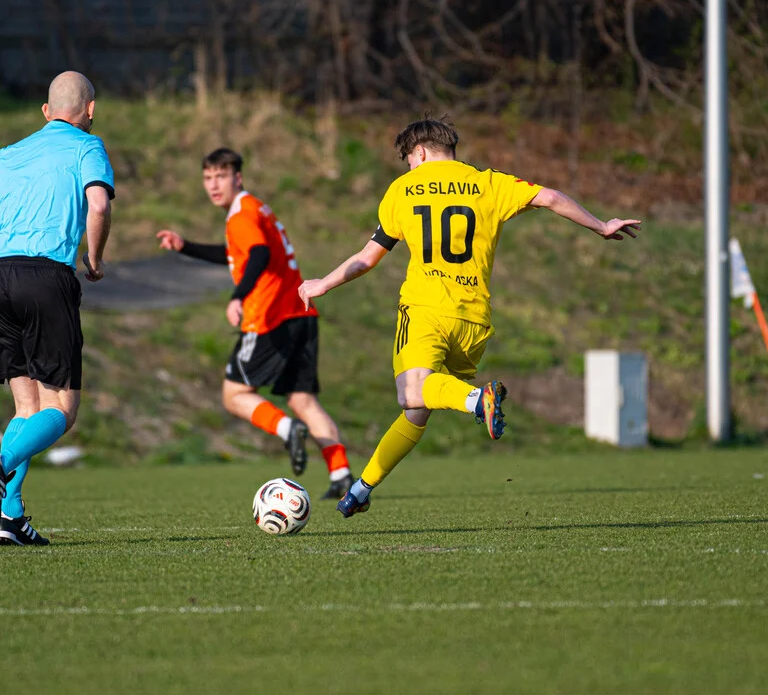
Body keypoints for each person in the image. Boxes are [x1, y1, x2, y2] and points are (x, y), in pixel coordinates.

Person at [298, 117, 641, 517]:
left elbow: (366, 259)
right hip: (474, 321)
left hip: (426, 309)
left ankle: (478, 399)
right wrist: (601, 225)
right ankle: (361, 488)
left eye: (409, 160)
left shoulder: (402, 189)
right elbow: (548, 197)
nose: (409, 168)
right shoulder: (489, 183)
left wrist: (323, 283)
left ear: (420, 153)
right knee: (418, 409)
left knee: (411, 392)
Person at [0, 71, 114, 546]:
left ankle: (11, 518)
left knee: (26, 405)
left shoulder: (9, 153)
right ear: (91, 109)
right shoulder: (88, 147)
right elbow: (99, 207)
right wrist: (95, 260)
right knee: (62, 407)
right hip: (46, 277)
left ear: (45, 112)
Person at [156, 148, 355, 500]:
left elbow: (259, 254)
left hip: (269, 317)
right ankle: (341, 473)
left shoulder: (241, 215)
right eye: (207, 177)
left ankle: (286, 429)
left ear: (238, 177)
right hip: (301, 312)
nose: (213, 184)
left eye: (221, 176)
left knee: (234, 395)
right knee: (303, 399)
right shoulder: (255, 208)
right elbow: (238, 253)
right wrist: (185, 246)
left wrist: (237, 296)